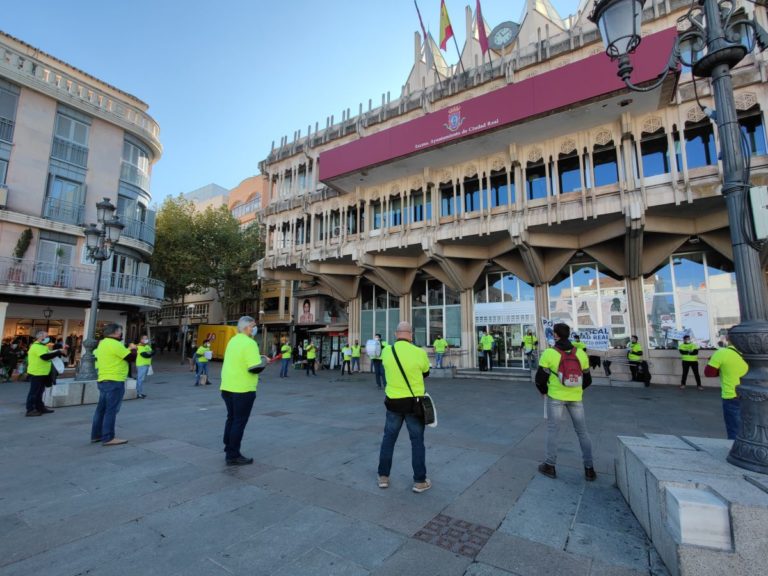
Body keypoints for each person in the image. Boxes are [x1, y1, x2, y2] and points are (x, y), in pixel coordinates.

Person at [535, 322, 596, 481]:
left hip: (555, 396)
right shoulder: (581, 354)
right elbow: (588, 379)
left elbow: (539, 378)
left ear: (555, 335)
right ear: (568, 335)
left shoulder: (549, 353)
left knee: (553, 430)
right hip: (576, 397)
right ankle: (589, 469)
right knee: (582, 432)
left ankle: (550, 465)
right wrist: (577, 390)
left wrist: (544, 392)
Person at [377, 321, 432, 493]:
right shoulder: (419, 352)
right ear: (411, 335)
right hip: (414, 405)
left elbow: (384, 367)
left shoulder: (387, 351)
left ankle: (383, 477)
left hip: (393, 403)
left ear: (396, 334)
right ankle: (419, 481)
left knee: (388, 439)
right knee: (417, 442)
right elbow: (426, 372)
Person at [220, 316, 265, 465]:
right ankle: (233, 455)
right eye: (253, 326)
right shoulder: (250, 342)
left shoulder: (233, 340)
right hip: (243, 389)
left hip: (227, 387)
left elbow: (241, 359)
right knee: (239, 421)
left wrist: (259, 358)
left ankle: (228, 448)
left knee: (231, 419)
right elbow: (254, 368)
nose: (255, 328)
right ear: (247, 327)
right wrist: (264, 362)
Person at [91, 324, 136, 445]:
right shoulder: (115, 344)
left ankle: (96, 435)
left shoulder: (103, 343)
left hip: (103, 378)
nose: (122, 334)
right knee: (111, 410)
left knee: (101, 409)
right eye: (121, 332)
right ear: (116, 332)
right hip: (114, 379)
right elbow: (131, 357)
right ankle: (108, 437)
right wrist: (133, 348)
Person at [705, 334, 748, 440]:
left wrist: (713, 361)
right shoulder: (751, 353)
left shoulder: (722, 352)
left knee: (734, 429)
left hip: (732, 395)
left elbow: (709, 373)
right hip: (753, 395)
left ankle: (736, 453)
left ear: (727, 340)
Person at [25, 331, 68, 417]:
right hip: (37, 372)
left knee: (40, 392)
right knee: (34, 392)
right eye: (47, 336)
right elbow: (45, 357)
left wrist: (60, 351)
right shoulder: (36, 346)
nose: (48, 337)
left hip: (43, 372)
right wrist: (58, 352)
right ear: (41, 338)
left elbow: (49, 354)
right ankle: (30, 409)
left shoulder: (43, 346)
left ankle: (40, 407)